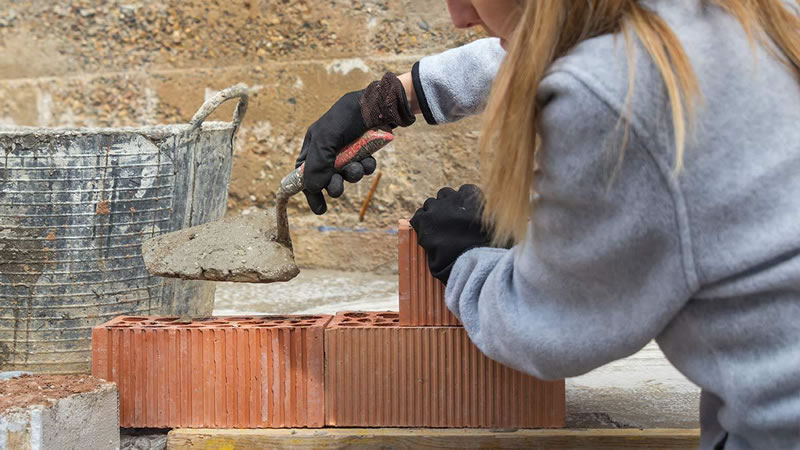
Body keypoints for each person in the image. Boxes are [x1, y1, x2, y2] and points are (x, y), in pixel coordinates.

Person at [297, 1, 800, 448]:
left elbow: (549, 328)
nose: (459, 16)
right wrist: (392, 99)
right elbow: (558, 39)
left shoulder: (617, 91)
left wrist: (469, 258)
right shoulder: (748, 16)